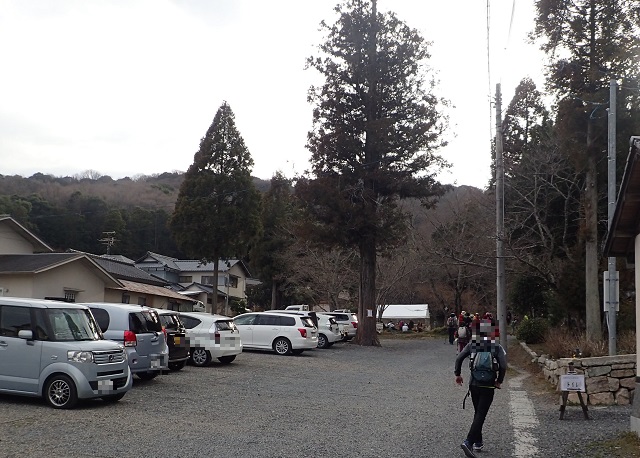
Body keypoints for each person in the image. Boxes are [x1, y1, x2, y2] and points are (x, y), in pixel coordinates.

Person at [454, 319, 507, 458]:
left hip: (474, 384)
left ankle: (478, 442)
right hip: (488, 385)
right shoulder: (497, 346)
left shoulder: (473, 344)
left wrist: (458, 374)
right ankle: (469, 441)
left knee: (478, 412)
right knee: (481, 414)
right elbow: (503, 366)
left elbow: (459, 358)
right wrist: (499, 381)